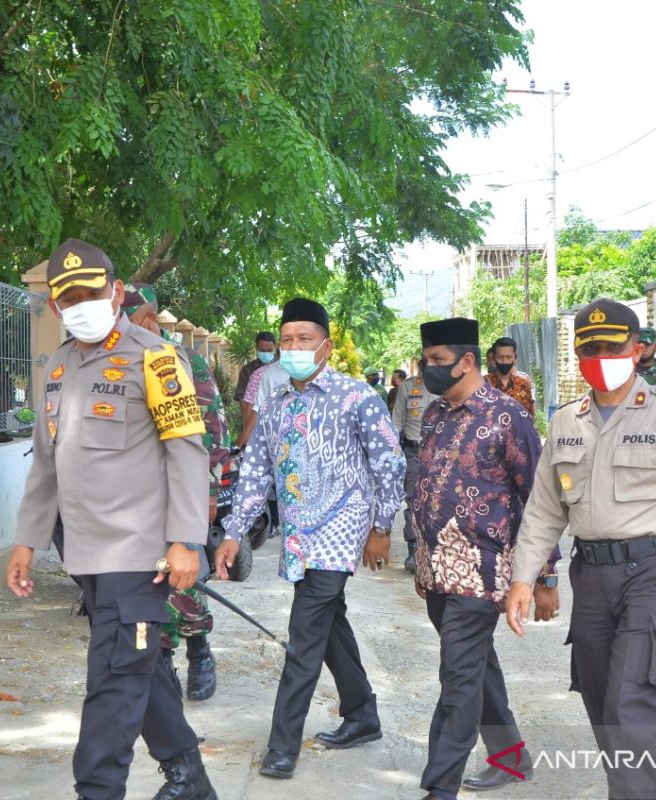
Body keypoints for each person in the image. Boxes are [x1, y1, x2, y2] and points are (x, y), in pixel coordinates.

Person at [504, 298, 656, 800]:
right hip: (592, 576)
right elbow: (545, 511)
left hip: (655, 570)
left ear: (637, 349)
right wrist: (523, 578)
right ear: (577, 356)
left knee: (630, 703)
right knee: (600, 700)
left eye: (611, 346)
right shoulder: (566, 422)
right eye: (589, 348)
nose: (600, 356)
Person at [7, 240, 216, 800]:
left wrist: (185, 541)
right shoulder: (55, 369)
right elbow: (46, 467)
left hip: (140, 553)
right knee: (138, 669)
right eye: (68, 297)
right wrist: (27, 541)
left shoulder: (156, 357)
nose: (81, 304)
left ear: (116, 291)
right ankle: (188, 776)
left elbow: (187, 452)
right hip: (87, 557)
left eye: (91, 291)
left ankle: (96, 791)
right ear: (54, 307)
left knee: (113, 682)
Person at [214, 298, 405, 782]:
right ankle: (362, 714)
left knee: (305, 633)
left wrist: (382, 527)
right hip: (300, 532)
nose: (294, 347)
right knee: (328, 622)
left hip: (342, 527)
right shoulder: (276, 404)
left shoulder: (356, 396)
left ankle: (283, 745)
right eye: (287, 340)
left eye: (304, 339)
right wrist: (234, 532)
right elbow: (256, 473)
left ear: (326, 345)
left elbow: (389, 463)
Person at [411, 318, 555, 800]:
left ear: (467, 361)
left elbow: (540, 497)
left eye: (437, 362)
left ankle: (440, 786)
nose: (428, 370)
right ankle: (511, 759)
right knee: (475, 667)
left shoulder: (508, 415)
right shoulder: (434, 415)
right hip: (435, 569)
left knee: (458, 677)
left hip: (481, 569)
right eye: (426, 361)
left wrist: (544, 574)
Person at [122, 282, 226, 701]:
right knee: (145, 583)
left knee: (182, 580)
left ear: (147, 320)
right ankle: (158, 664)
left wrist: (211, 491)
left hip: (180, 489)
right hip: (133, 497)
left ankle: (200, 649)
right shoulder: (114, 357)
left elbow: (212, 426)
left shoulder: (183, 361)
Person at [391, 365, 436, 571]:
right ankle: (413, 549)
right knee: (413, 500)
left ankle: (435, 550)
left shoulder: (447, 387)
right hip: (413, 452)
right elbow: (397, 423)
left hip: (440, 452)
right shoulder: (408, 388)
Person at [485, 337, 535, 417]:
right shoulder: (483, 384)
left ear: (515, 358)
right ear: (494, 358)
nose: (504, 362)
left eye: (509, 357)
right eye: (500, 357)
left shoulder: (523, 385)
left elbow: (530, 417)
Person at [234, 331, 276, 406]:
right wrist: (247, 417)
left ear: (275, 348)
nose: (266, 353)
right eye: (262, 351)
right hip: (255, 412)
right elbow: (241, 397)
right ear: (256, 348)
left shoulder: (283, 367)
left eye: (269, 350)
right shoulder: (247, 370)